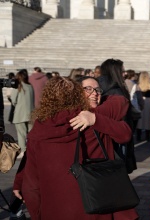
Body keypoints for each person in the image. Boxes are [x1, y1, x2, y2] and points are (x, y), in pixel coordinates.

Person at [15, 76, 137, 220]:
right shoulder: (91, 119)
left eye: (97, 90)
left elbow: (31, 186)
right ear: (78, 95)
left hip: (54, 210)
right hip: (96, 207)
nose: (95, 93)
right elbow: (124, 126)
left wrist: (37, 213)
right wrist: (96, 120)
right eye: (88, 89)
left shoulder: (37, 131)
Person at [98, 58, 137, 174]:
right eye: (122, 71)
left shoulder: (102, 87)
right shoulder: (116, 92)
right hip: (117, 136)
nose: (125, 74)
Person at [11, 69, 34, 158]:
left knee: (21, 134)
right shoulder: (30, 86)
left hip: (20, 114)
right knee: (31, 133)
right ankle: (31, 150)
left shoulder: (18, 86)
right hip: (31, 113)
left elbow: (13, 100)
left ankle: (23, 151)